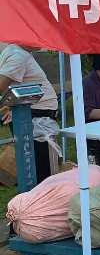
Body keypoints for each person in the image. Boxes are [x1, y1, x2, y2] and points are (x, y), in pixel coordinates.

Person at [0, 43, 59, 183]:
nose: (41, 42)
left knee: (40, 165)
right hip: (33, 118)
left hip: (36, 116)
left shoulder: (21, 53)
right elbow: (2, 85)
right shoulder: (18, 55)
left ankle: (38, 195)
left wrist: (8, 105)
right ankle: (39, 198)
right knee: (40, 168)